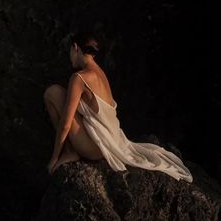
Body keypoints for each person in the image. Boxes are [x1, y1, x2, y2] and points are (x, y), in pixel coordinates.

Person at [43, 31, 193, 183]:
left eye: (70, 50)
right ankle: (71, 150)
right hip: (111, 140)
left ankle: (70, 151)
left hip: (95, 147)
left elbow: (65, 125)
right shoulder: (100, 73)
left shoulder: (79, 78)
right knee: (59, 93)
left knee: (51, 93)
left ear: (75, 47)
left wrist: (54, 157)